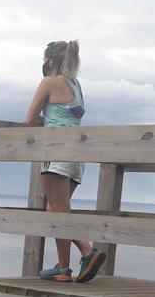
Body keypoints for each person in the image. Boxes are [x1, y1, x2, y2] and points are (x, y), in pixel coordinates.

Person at [22, 39, 106, 283]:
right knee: (56, 209)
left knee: (58, 211)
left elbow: (29, 119)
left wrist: (43, 123)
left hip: (55, 152)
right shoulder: (76, 85)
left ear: (49, 60)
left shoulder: (49, 82)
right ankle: (64, 269)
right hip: (77, 154)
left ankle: (87, 250)